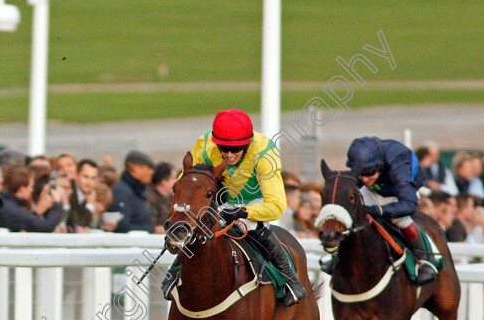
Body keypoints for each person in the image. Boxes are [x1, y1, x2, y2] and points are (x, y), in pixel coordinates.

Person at [163, 109, 307, 306]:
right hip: (220, 197)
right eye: (223, 148)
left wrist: (242, 212)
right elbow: (187, 182)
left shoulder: (264, 152)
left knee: (246, 224)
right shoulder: (204, 144)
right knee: (201, 223)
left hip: (256, 201)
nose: (229, 154)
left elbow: (276, 206)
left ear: (247, 144)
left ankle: (291, 279)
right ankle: (174, 271)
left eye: (236, 149)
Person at [342, 136, 437, 284]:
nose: (364, 178)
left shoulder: (398, 164)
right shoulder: (368, 170)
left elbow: (409, 204)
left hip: (400, 191)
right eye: (360, 173)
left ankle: (426, 260)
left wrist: (378, 210)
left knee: (400, 219)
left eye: (369, 172)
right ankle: (338, 255)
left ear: (379, 165)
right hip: (376, 189)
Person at [0, 165, 63, 232]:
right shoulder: (15, 210)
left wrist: (37, 213)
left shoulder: (5, 202)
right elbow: (45, 227)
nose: (32, 190)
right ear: (22, 189)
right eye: (30, 186)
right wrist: (56, 204)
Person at [110, 150, 155, 233]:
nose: (152, 172)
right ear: (136, 168)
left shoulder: (139, 191)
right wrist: (153, 230)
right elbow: (121, 226)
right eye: (149, 168)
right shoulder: (122, 191)